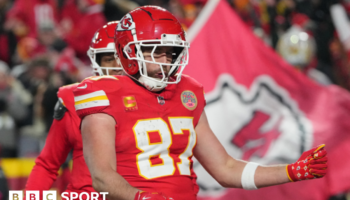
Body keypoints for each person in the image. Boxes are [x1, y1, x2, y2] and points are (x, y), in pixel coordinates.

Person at [74, 6, 328, 200]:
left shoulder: (187, 93)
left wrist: (291, 171)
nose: (166, 60)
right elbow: (102, 177)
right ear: (129, 51)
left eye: (171, 52)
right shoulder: (104, 95)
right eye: (156, 51)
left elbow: (226, 169)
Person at [25, 21, 122, 198]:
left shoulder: (158, 99)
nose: (117, 67)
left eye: (123, 59)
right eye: (109, 59)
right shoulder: (74, 99)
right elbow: (47, 164)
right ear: (97, 62)